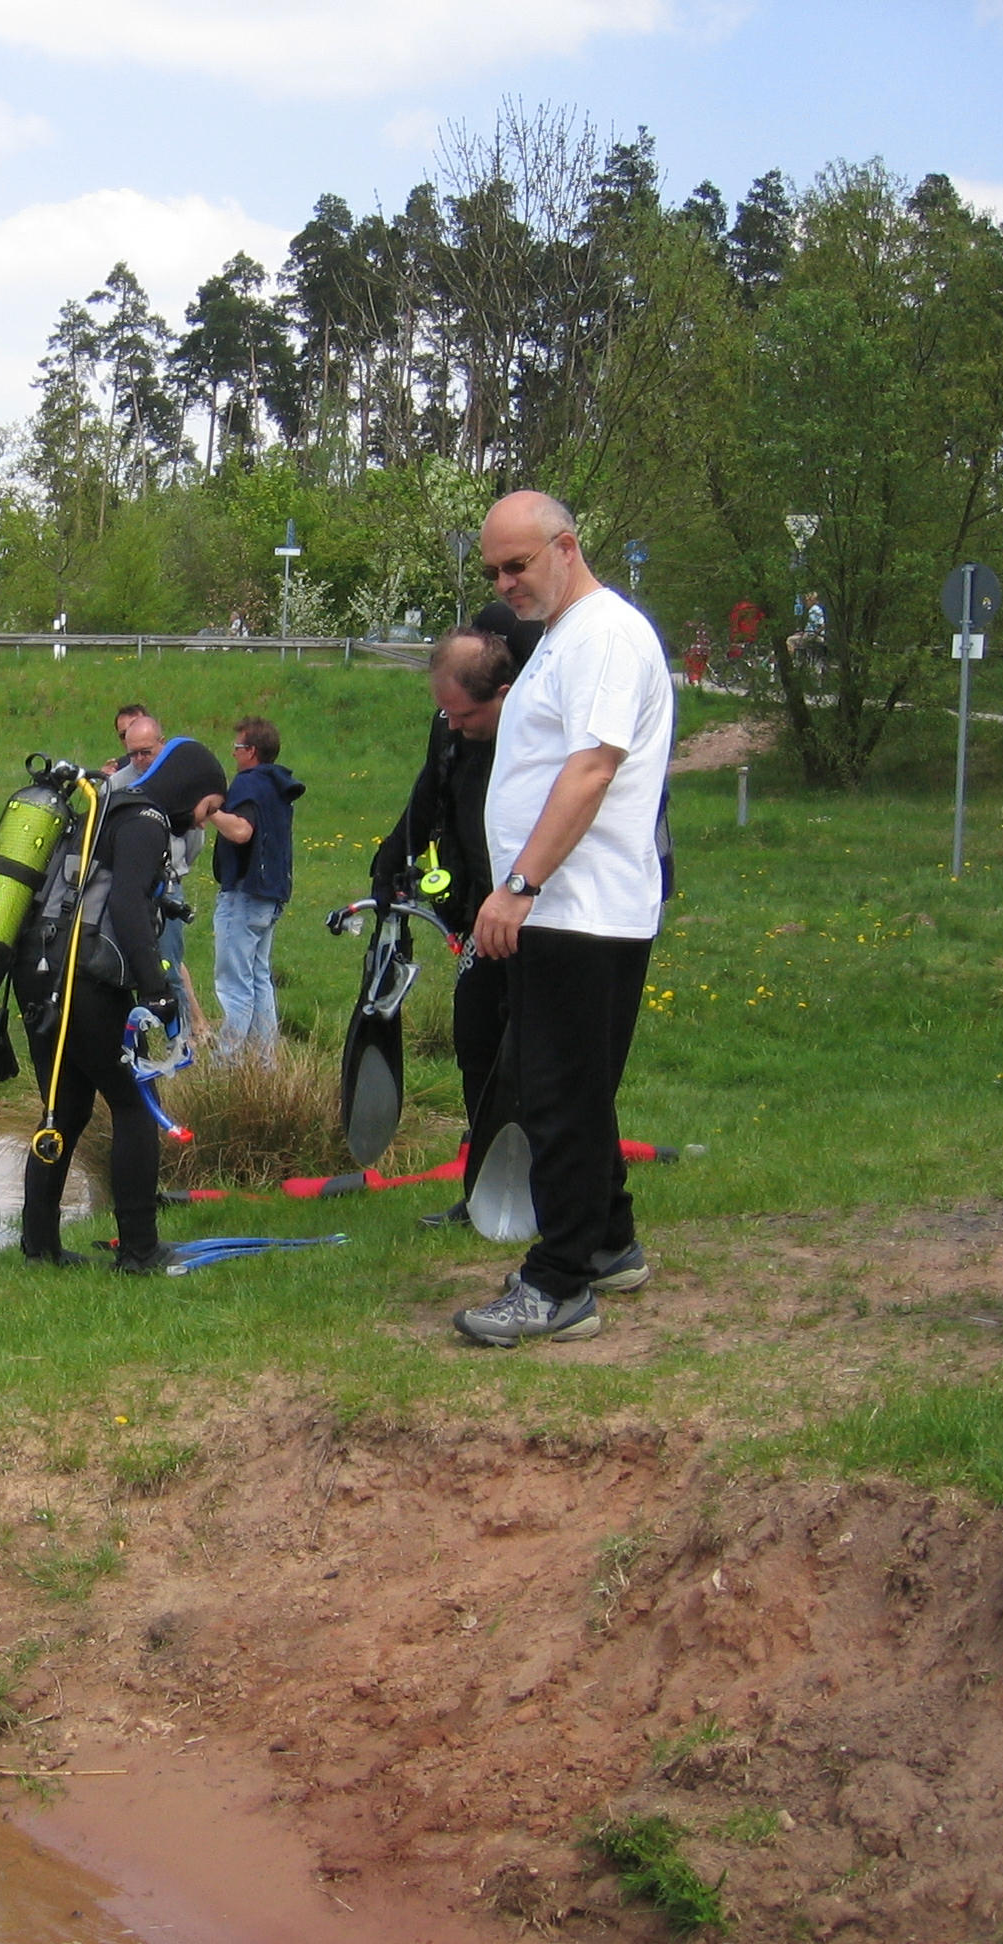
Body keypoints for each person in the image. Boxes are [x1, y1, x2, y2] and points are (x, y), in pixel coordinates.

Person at [453, 490, 672, 1348]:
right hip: (559, 909)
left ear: (567, 546)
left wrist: (520, 883)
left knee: (558, 1096)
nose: (504, 583)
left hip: (583, 909)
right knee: (571, 1086)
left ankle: (560, 1281)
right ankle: (609, 1242)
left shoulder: (606, 635)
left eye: (517, 564)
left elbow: (591, 770)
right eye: (493, 571)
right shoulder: (560, 637)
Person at [17, 736, 228, 1273]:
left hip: (37, 970)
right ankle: (139, 1250)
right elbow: (130, 904)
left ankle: (39, 1246)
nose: (204, 821)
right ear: (192, 788)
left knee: (64, 1109)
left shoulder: (106, 806)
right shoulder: (145, 820)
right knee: (135, 1105)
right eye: (209, 807)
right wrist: (155, 989)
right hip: (83, 980)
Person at [374, 622, 518, 1226]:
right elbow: (429, 788)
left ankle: (556, 1188)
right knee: (476, 1042)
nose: (455, 725)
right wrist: (391, 859)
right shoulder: (452, 730)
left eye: (466, 715)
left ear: (504, 694)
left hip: (534, 909)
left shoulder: (534, 731)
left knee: (542, 1056)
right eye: (447, 713)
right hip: (480, 915)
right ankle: (483, 1189)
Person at [106, 706, 211, 1041]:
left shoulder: (181, 783)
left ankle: (182, 1041)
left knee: (170, 967)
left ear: (162, 744)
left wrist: (176, 869)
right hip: (127, 889)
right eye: (133, 754)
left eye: (146, 753)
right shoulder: (116, 786)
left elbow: (194, 837)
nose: (139, 760)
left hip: (166, 889)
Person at [208, 716, 302, 1048]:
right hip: (271, 894)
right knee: (259, 978)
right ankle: (263, 1061)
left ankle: (228, 1061)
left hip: (244, 893)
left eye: (237, 747)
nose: (233, 754)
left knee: (234, 983)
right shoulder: (277, 785)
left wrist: (210, 811)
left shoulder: (248, 782)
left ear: (250, 751)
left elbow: (241, 831)